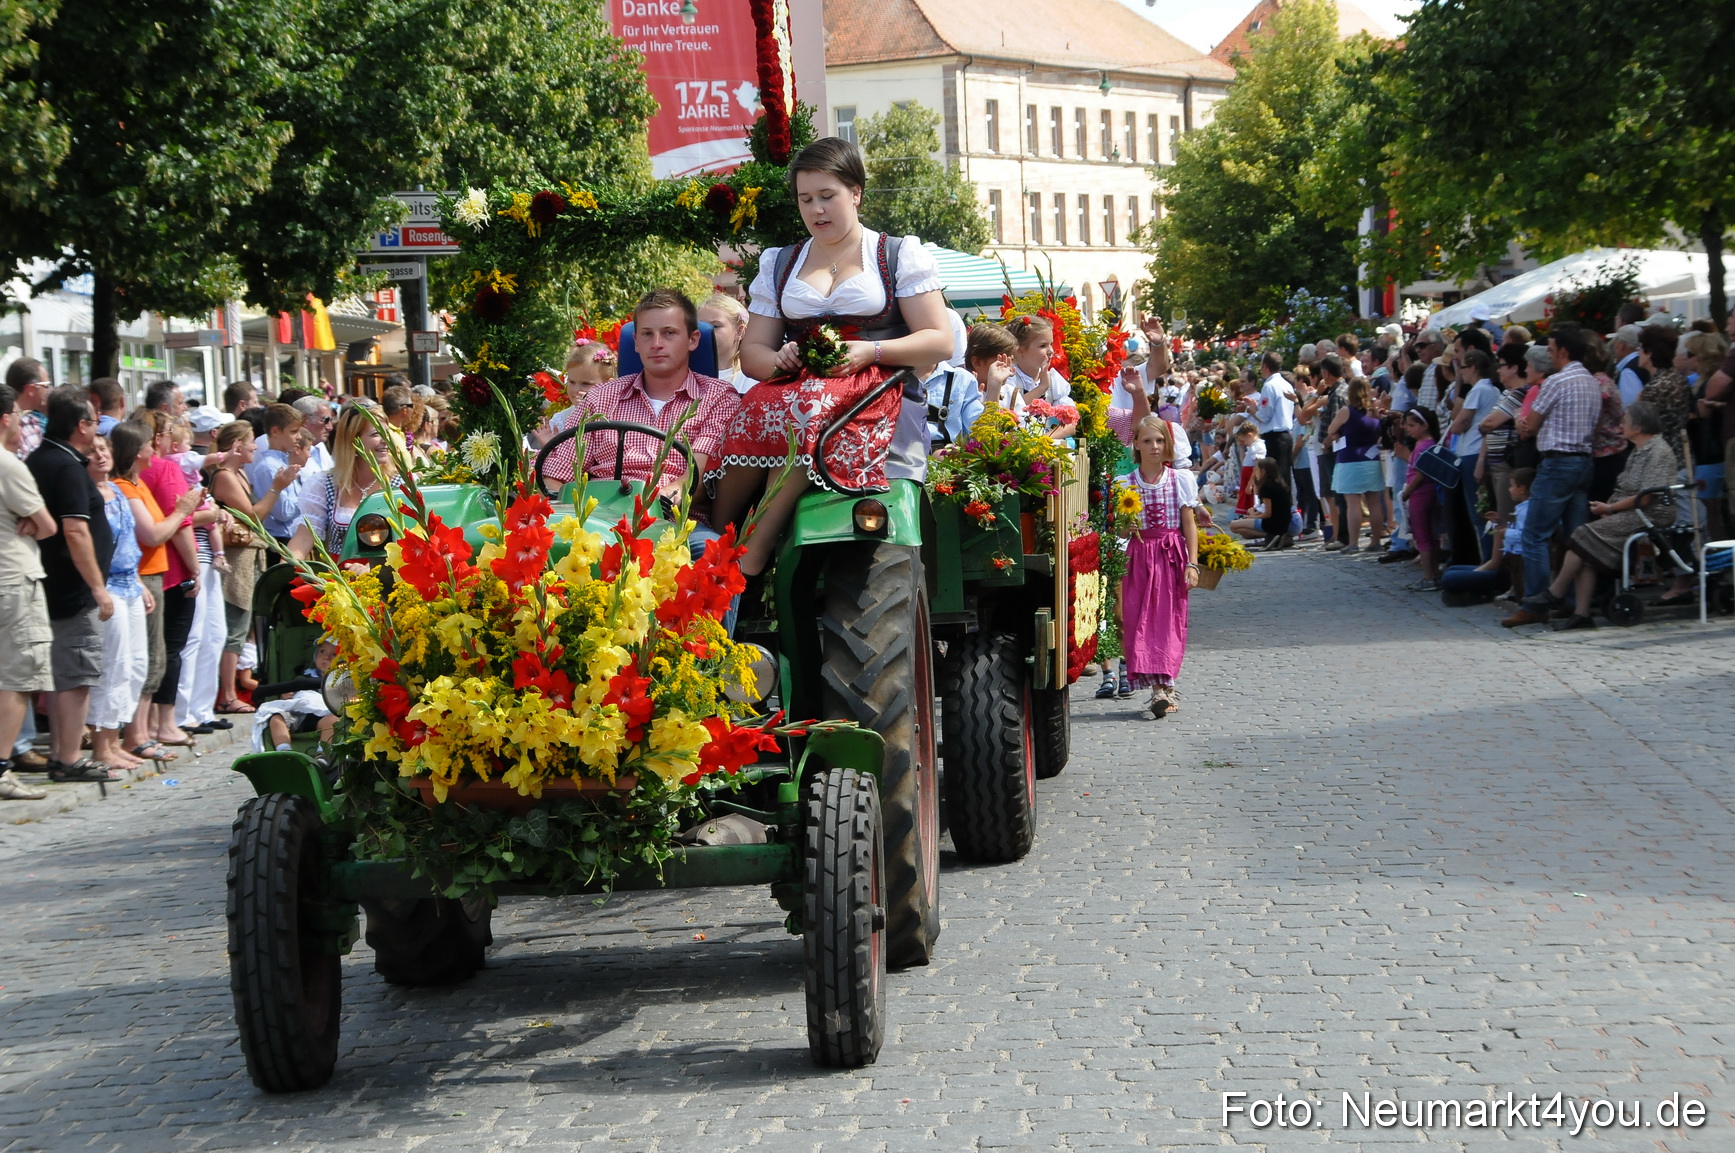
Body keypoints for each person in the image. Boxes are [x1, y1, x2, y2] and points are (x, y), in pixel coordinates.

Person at [709, 137, 953, 576]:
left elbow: (939, 341)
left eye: (827, 196)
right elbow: (753, 357)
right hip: (797, 387)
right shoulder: (780, 262)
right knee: (750, 411)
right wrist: (780, 358)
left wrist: (871, 350)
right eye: (806, 199)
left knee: (812, 411)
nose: (816, 209)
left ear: (855, 194)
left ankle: (753, 548)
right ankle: (713, 532)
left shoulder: (897, 254)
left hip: (880, 388)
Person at [25, 386, 119, 781]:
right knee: (76, 673)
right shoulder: (64, 466)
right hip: (71, 587)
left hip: (56, 583)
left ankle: (65, 755)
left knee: (68, 673)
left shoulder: (42, 458)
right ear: (81, 425)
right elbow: (76, 531)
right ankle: (67, 758)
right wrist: (98, 587)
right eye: (94, 423)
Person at [1538, 404, 1679, 630]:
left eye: (1625, 420)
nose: (1621, 425)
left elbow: (1645, 498)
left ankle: (1555, 592)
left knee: (1581, 534)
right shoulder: (1638, 450)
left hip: (1650, 514)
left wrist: (1611, 509)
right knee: (1585, 551)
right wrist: (1609, 508)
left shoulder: (1658, 451)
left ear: (1639, 426)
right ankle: (1581, 613)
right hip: (1631, 511)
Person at [108, 421, 198, 764]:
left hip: (151, 575)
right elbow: (154, 534)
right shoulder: (126, 487)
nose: (154, 449)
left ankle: (140, 733)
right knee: (147, 657)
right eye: (148, 444)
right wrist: (182, 511)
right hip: (142, 577)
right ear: (136, 451)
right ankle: (137, 734)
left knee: (153, 657)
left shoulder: (136, 483)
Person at [1512, 324, 1602, 619]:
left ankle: (1535, 602)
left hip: (1557, 462)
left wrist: (1519, 422)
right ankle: (1571, 600)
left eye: (1550, 350)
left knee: (1535, 534)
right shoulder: (1591, 381)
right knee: (1575, 538)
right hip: (1583, 461)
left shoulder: (1556, 382)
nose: (1548, 355)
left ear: (1562, 352)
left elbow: (1530, 425)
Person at [1116, 415, 1201, 719]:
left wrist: (1192, 563)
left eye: (1160, 441)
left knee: (1168, 619)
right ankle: (1158, 690)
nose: (1154, 447)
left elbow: (1189, 525)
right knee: (1140, 618)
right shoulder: (1124, 483)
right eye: (1148, 441)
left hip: (1170, 555)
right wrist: (1128, 522)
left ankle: (1165, 685)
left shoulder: (1180, 479)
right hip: (1139, 556)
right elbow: (1122, 532)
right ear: (1136, 445)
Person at [135, 408, 207, 749]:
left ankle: (147, 723)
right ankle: (164, 721)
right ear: (157, 438)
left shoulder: (134, 474)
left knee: (151, 649)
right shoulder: (164, 469)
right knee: (172, 647)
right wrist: (195, 568)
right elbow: (181, 523)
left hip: (142, 569)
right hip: (172, 568)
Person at [86, 434, 154, 773]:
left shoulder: (118, 492)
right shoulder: (88, 495)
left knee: (135, 664)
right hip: (108, 584)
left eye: (103, 449)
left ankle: (116, 739)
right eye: (92, 451)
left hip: (129, 582)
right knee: (112, 665)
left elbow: (127, 542)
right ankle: (102, 745)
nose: (100, 456)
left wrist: (140, 583)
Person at [0, 383, 55, 800]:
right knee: (17, 677)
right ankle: (2, 768)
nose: (23, 423)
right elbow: (48, 524)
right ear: (5, 419)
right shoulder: (8, 464)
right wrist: (34, 523)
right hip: (12, 579)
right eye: (19, 416)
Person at [209, 421, 269, 714]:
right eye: (250, 441)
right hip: (236, 562)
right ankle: (227, 694)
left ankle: (234, 689)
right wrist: (278, 488)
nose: (255, 446)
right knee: (235, 626)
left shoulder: (240, 474)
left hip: (248, 558)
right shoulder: (225, 476)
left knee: (243, 627)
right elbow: (255, 515)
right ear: (235, 445)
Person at [290, 402, 401, 559]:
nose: (386, 440)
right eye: (376, 434)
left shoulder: (400, 484)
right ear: (354, 440)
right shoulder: (326, 484)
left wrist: (372, 569)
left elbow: (411, 541)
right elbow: (304, 538)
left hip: (390, 577)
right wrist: (286, 566)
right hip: (340, 577)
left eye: (387, 433)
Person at [1446, 348, 1501, 563]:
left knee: (1478, 514)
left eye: (1464, 368)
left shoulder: (1479, 390)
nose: (1461, 373)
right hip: (1479, 451)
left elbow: (1458, 423)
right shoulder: (1493, 390)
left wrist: (1458, 425)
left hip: (1472, 452)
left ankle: (1487, 560)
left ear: (1474, 368)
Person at [530, 339, 621, 460]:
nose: (576, 389)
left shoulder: (617, 415)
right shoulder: (561, 420)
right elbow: (559, 467)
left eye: (586, 383)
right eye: (571, 382)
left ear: (608, 385)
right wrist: (550, 446)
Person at [1326, 376, 1387, 554]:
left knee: (1353, 503)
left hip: (1350, 459)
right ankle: (1375, 541)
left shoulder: (1347, 411)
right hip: (1371, 459)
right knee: (1374, 502)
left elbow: (1331, 430)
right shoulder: (1374, 412)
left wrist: (1338, 433)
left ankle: (1353, 543)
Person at [244, 403, 310, 544]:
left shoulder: (284, 462)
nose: (299, 437)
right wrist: (308, 499)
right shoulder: (269, 466)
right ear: (275, 432)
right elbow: (283, 513)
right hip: (280, 540)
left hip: (294, 537)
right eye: (293, 432)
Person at [925, 325, 997, 447]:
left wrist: (995, 386)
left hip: (947, 459)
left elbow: (981, 435)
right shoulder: (888, 378)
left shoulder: (961, 379)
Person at [1399, 407, 1444, 593]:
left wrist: (1407, 492)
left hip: (1420, 493)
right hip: (1426, 493)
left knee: (1422, 535)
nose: (1408, 429)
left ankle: (1429, 576)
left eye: (1412, 425)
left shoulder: (1424, 446)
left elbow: (1419, 474)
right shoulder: (1428, 444)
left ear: (1424, 425)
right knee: (1430, 536)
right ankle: (1433, 574)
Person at [1246, 351, 1296, 482]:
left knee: (1273, 478)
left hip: (1274, 437)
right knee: (1284, 476)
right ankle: (1285, 502)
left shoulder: (1269, 386)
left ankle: (1274, 503)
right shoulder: (1286, 384)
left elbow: (1265, 416)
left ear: (1265, 366)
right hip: (1286, 434)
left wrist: (1250, 410)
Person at [1229, 457, 1293, 549]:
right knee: (1244, 532)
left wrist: (1252, 517)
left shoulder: (1266, 487)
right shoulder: (1280, 484)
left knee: (1233, 525)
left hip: (1272, 523)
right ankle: (1275, 536)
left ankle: (1271, 535)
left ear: (1263, 471)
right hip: (1284, 523)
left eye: (1257, 469)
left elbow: (1268, 513)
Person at [700, 292, 755, 395]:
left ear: (739, 331)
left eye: (716, 326)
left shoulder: (749, 378)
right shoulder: (685, 375)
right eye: (701, 327)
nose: (705, 332)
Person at [7, 356, 49, 459]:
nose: (48, 391)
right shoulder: (9, 425)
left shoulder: (34, 421)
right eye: (46, 386)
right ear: (30, 389)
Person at [291, 396, 336, 471]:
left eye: (330, 420)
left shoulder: (320, 447)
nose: (330, 427)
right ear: (304, 420)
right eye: (325, 420)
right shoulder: (290, 452)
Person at [1609, 324, 1647, 406]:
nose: (1614, 345)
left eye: (1616, 341)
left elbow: (1631, 407)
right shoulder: (1643, 363)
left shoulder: (1628, 372)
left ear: (1622, 345)